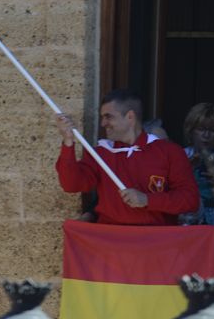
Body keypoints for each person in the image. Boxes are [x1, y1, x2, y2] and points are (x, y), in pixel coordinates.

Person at [55, 89, 198, 226]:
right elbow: (71, 185)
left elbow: (190, 201)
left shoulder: (170, 152)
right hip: (111, 241)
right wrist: (68, 142)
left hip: (157, 242)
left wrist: (148, 200)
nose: (103, 124)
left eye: (108, 117)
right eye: (102, 117)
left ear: (130, 117)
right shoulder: (100, 153)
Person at [179, 102, 214, 226]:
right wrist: (188, 169)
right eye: (201, 129)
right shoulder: (180, 156)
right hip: (188, 221)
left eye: (213, 130)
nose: (206, 136)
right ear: (191, 131)